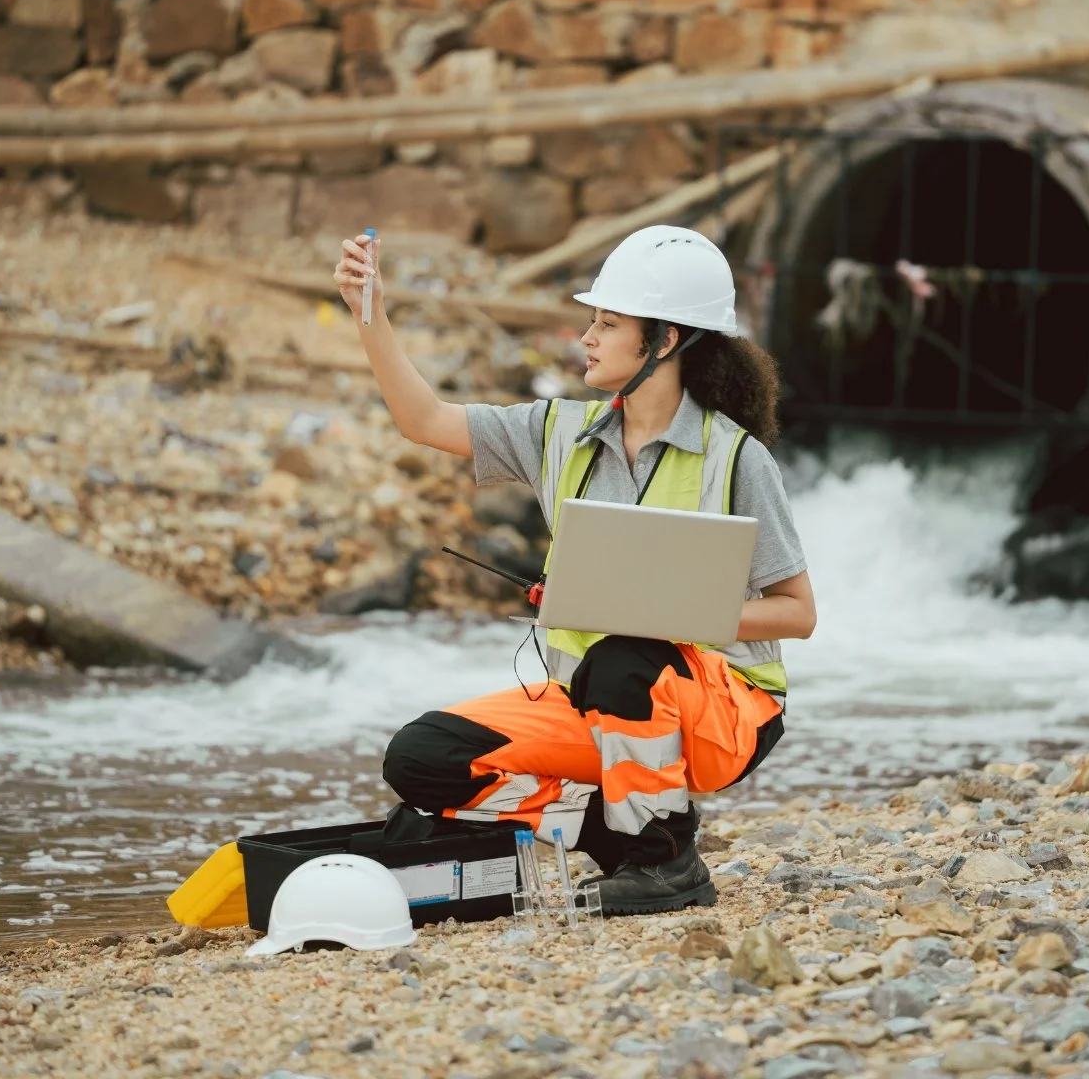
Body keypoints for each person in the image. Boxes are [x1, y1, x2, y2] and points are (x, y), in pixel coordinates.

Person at [333, 225, 816, 915]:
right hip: (592, 703)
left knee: (626, 656)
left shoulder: (738, 460)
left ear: (665, 340)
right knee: (421, 756)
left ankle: (665, 862)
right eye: (593, 320)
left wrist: (663, 616)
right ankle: (611, 831)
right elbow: (423, 420)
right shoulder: (555, 431)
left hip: (723, 714)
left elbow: (798, 614)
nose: (586, 336)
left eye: (608, 323)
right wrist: (370, 313)